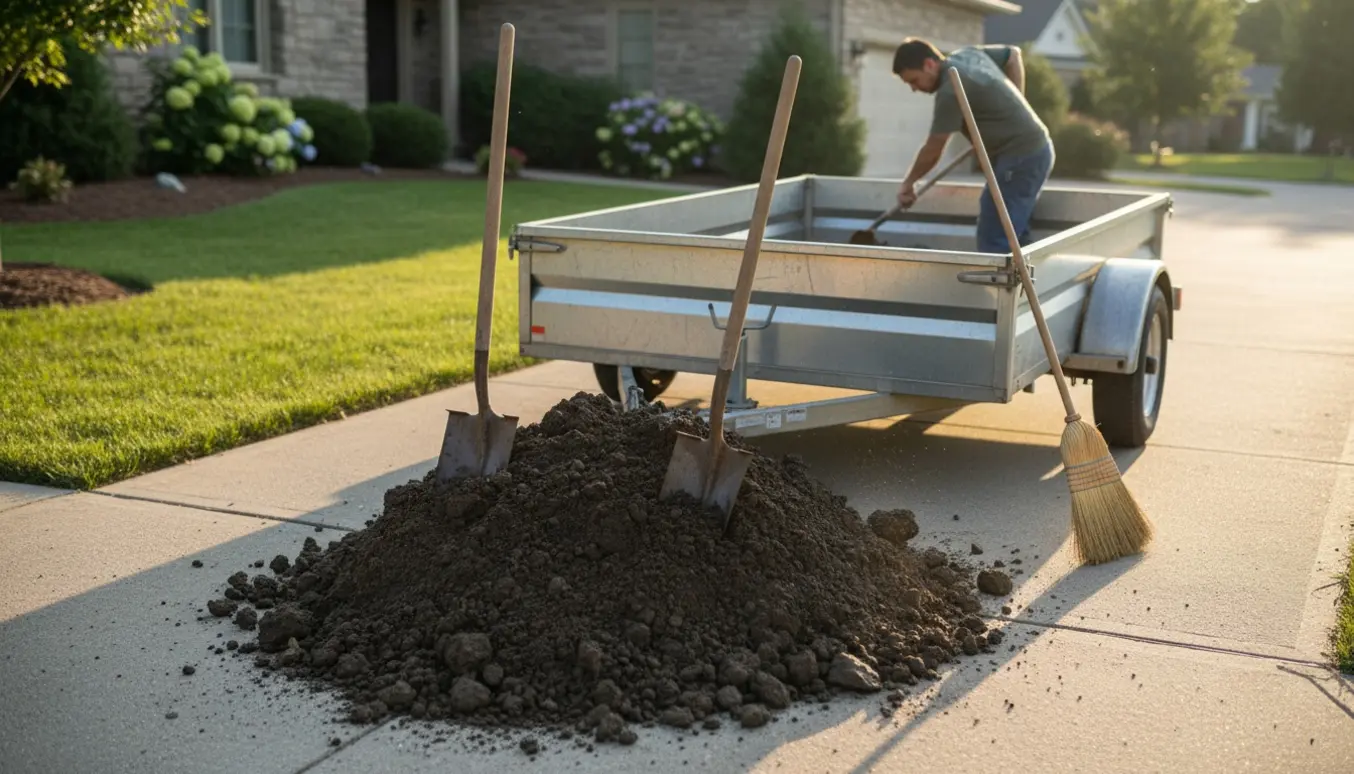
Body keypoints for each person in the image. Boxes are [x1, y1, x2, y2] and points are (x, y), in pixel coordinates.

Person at [891, 38, 1054, 254]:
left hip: (1021, 157)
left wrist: (909, 183)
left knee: (995, 236)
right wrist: (1012, 107)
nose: (913, 88)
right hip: (1029, 151)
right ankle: (1027, 283)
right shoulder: (967, 55)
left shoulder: (950, 91)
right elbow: (1012, 55)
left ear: (929, 64)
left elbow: (934, 148)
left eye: (914, 80)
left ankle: (999, 287)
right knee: (1013, 233)